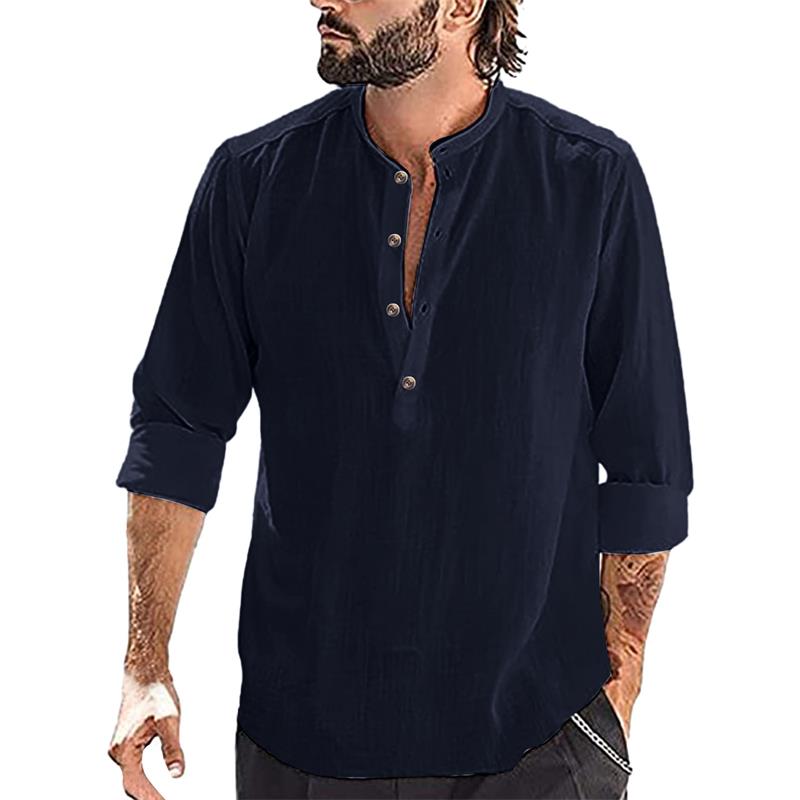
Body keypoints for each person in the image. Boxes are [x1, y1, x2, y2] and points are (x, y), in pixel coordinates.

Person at [107, 1, 693, 798]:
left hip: (538, 742)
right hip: (302, 744)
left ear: (461, 6)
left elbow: (645, 464)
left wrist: (617, 695)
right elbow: (178, 431)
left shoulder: (590, 181)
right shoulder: (254, 181)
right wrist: (145, 662)